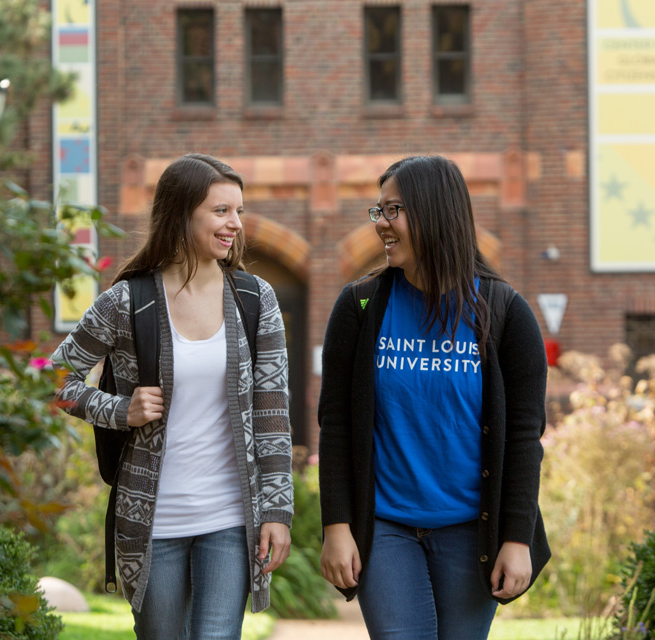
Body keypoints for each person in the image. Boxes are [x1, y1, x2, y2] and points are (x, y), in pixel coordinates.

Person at [50, 153, 293, 640]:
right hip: (152, 520)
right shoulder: (128, 301)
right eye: (222, 211)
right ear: (182, 214)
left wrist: (277, 511)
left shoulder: (254, 298)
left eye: (238, 212)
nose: (236, 225)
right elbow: (53, 378)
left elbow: (272, 411)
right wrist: (120, 410)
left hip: (229, 517)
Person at [317, 155, 550, 640]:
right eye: (377, 210)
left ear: (434, 211)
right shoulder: (360, 306)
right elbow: (336, 424)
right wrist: (337, 525)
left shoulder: (505, 311)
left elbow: (526, 438)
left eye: (393, 210)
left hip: (472, 532)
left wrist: (516, 538)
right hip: (385, 527)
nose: (381, 224)